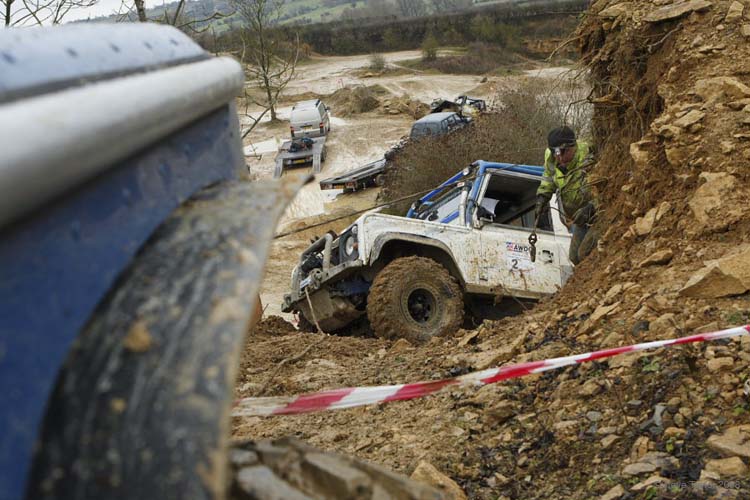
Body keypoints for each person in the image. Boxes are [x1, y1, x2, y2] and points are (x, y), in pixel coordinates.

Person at [535, 126, 598, 265]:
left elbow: (608, 188)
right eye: (555, 153)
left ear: (573, 147)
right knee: (574, 257)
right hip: (580, 218)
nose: (559, 157)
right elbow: (548, 177)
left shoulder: (588, 157)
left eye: (563, 153)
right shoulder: (552, 158)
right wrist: (542, 197)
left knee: (585, 254)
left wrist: (592, 207)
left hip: (598, 214)